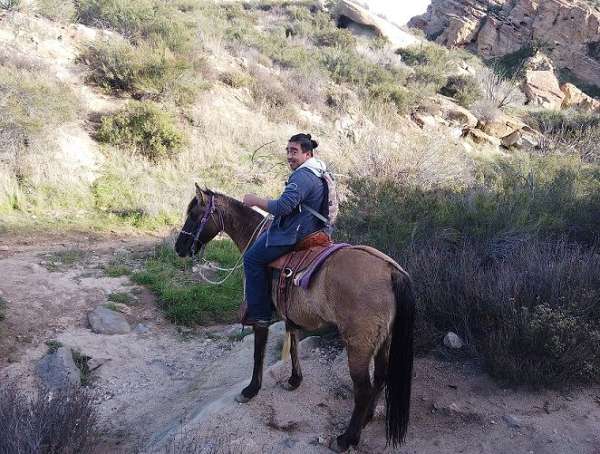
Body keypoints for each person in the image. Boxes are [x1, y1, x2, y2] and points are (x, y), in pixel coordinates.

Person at [242, 133, 328, 326]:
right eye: (288, 151)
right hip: (313, 227)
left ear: (307, 154)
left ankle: (260, 315)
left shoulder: (303, 175)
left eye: (294, 151)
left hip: (298, 232)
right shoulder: (317, 171)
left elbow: (283, 207)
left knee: (252, 258)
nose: (289, 156)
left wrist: (255, 201)